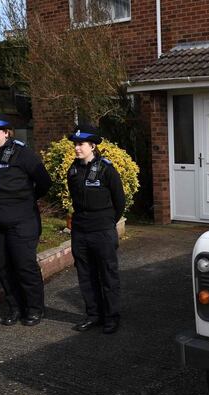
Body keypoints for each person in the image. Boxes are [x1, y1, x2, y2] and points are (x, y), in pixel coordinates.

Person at [0, 113, 50, 326]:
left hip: (21, 220)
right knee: (3, 267)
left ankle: (34, 309)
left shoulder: (22, 153)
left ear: (6, 132)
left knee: (24, 265)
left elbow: (44, 182)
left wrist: (26, 201)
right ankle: (15, 307)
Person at [67, 125, 126, 334]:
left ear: (92, 145)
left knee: (108, 275)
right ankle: (93, 315)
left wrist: (108, 222)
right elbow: (74, 199)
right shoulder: (73, 170)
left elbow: (120, 201)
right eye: (75, 144)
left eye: (80, 144)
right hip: (81, 231)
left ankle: (111, 317)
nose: (76, 148)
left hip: (102, 230)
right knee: (86, 275)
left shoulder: (106, 169)